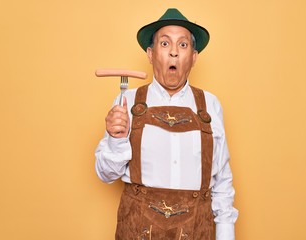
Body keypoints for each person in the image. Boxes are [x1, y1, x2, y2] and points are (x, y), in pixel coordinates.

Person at [95, 8, 238, 239]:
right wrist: (115, 139)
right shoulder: (127, 102)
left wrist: (226, 235)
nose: (173, 52)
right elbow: (106, 174)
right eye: (165, 44)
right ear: (150, 54)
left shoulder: (210, 105)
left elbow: (222, 181)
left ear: (193, 57)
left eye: (183, 45)